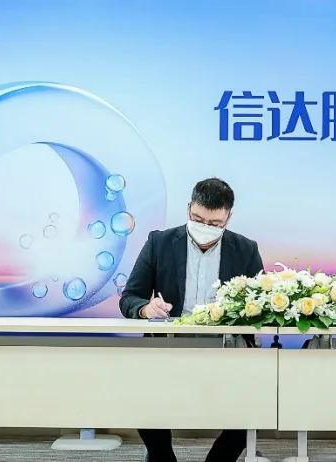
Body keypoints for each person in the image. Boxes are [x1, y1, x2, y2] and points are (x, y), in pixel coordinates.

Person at [119, 177, 264, 462]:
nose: (205, 227)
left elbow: (260, 304)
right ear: (188, 209)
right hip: (168, 347)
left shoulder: (246, 249)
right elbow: (130, 297)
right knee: (145, 402)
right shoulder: (160, 243)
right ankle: (162, 457)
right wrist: (146, 309)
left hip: (227, 349)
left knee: (254, 406)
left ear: (228, 218)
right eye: (198, 219)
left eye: (215, 223)